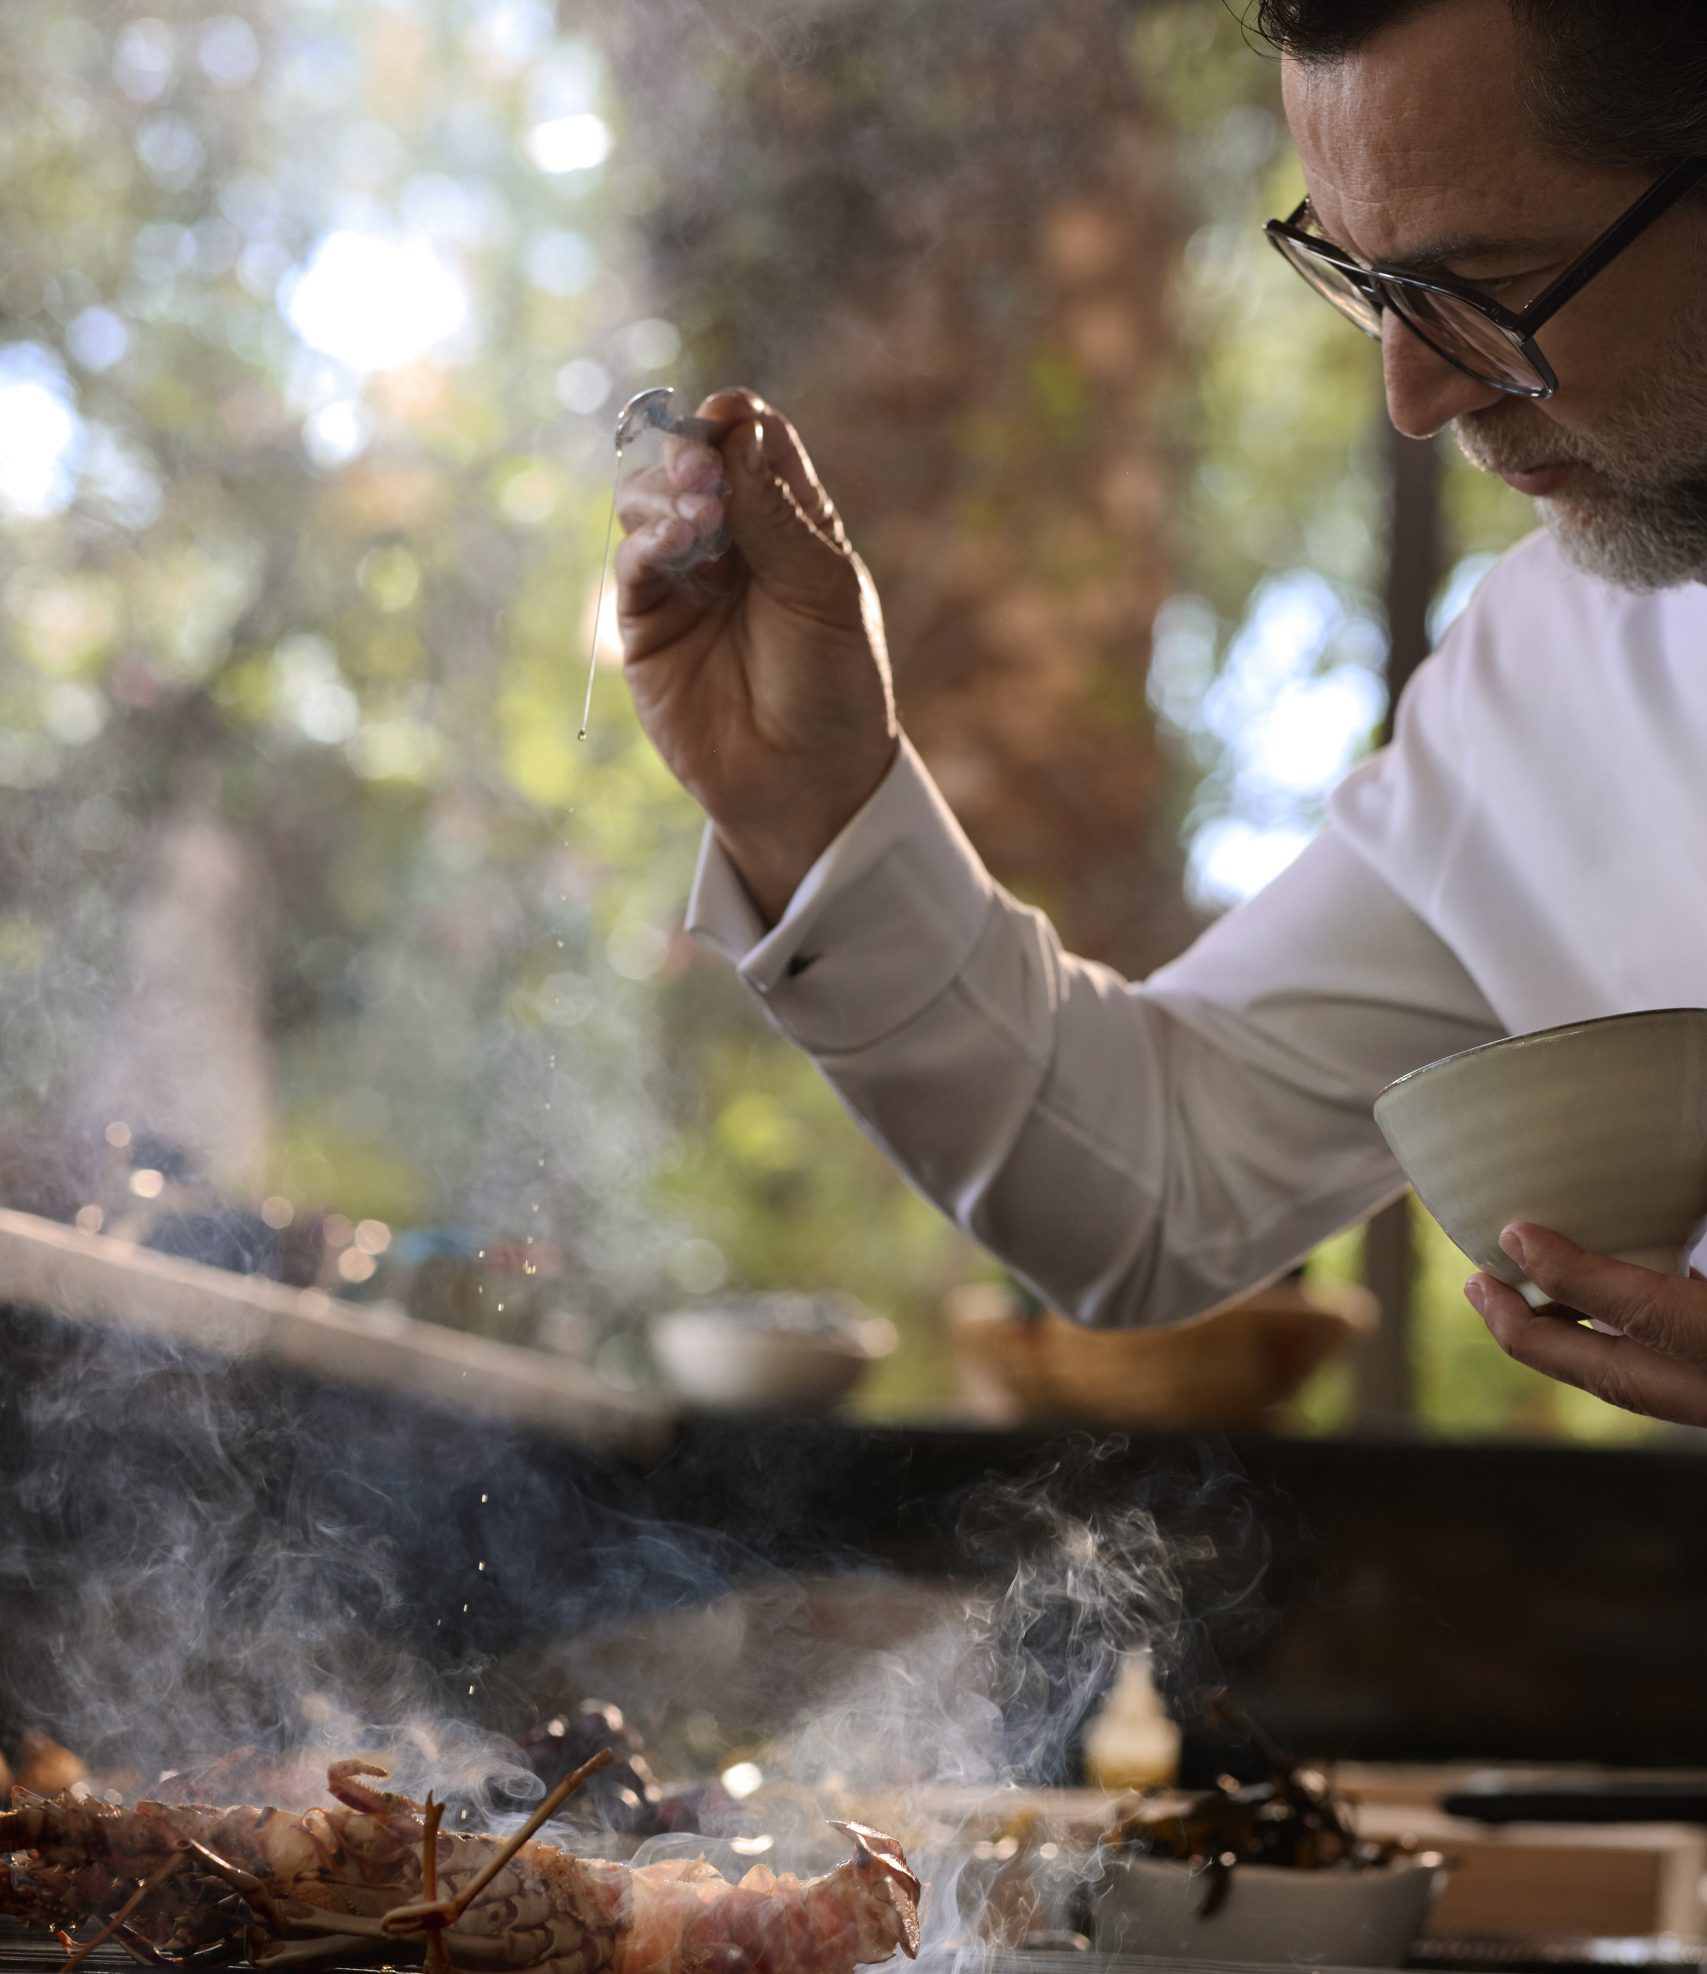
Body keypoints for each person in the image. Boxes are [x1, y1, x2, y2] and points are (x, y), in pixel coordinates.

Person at [614, 0, 1707, 1428]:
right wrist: (811, 799)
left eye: (1487, 286)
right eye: (1365, 281)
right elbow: (1159, 1178)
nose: (1413, 393)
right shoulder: (1546, 681)